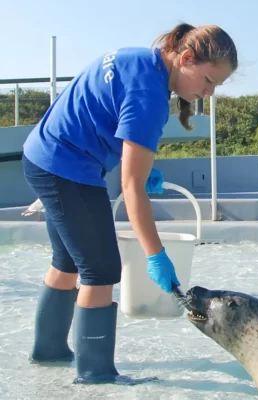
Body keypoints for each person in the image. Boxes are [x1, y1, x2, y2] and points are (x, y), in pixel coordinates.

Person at [21, 22, 238, 385]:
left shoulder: (140, 59)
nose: (209, 92)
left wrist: (136, 166)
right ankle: (96, 375)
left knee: (68, 261)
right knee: (101, 270)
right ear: (185, 58)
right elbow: (132, 189)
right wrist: (156, 254)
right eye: (208, 81)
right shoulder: (151, 98)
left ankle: (49, 352)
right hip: (67, 167)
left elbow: (99, 108)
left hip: (42, 154)